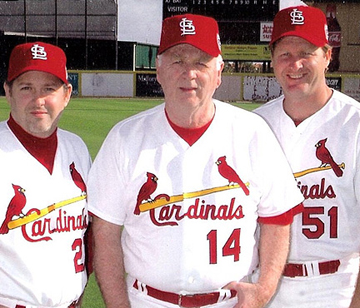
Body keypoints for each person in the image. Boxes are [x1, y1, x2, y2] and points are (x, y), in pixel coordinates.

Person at [88, 14, 303, 308]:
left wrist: (264, 289)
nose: (188, 73)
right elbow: (105, 232)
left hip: (228, 303)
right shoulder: (125, 138)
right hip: (148, 302)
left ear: (218, 72)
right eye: (177, 61)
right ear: (159, 71)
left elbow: (278, 217)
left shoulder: (252, 133)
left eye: (201, 62)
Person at [254, 5, 360, 308]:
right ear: (273, 60)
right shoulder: (255, 126)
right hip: (265, 285)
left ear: (327, 56)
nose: (295, 64)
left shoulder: (354, 123)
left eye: (307, 52)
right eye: (285, 54)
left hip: (335, 285)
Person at [0, 42, 91, 308]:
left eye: (49, 88)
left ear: (67, 94)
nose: (38, 99)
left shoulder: (77, 149)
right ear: (8, 92)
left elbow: (88, 239)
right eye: (26, 87)